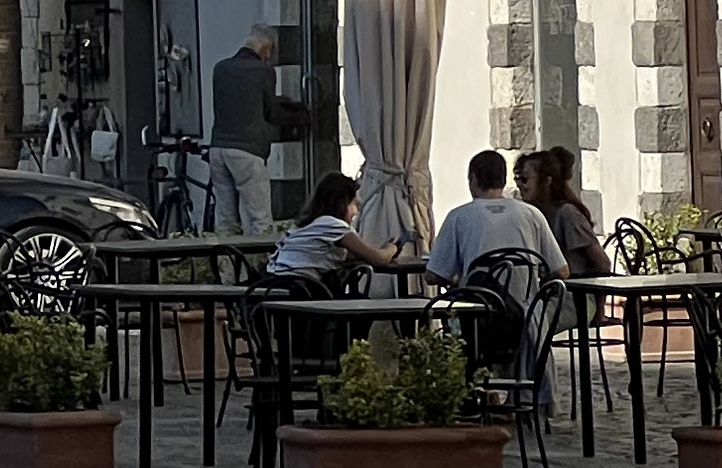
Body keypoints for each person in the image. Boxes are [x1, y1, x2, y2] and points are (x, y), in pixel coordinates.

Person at [427, 147, 565, 284]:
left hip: (478, 303)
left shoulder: (458, 217)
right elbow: (562, 271)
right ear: (504, 181)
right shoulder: (532, 214)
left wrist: (462, 280)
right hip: (528, 305)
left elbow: (433, 275)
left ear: (473, 178)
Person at [265, 168, 407, 289]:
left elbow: (332, 254)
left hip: (275, 286)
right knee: (359, 305)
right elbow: (378, 260)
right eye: (354, 204)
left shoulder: (304, 226)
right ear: (343, 203)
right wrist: (392, 248)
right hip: (302, 290)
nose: (356, 212)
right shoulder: (333, 225)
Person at [204, 28, 279, 236]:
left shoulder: (220, 68)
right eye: (270, 53)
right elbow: (271, 111)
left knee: (225, 218)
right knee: (259, 219)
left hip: (218, 149)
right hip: (247, 150)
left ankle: (226, 267)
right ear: (265, 48)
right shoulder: (264, 72)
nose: (269, 59)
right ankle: (260, 266)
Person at [519, 147, 612, 280]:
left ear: (546, 181)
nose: (519, 185)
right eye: (518, 179)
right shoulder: (535, 214)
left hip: (572, 293)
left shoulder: (567, 214)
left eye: (525, 179)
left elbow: (603, 263)